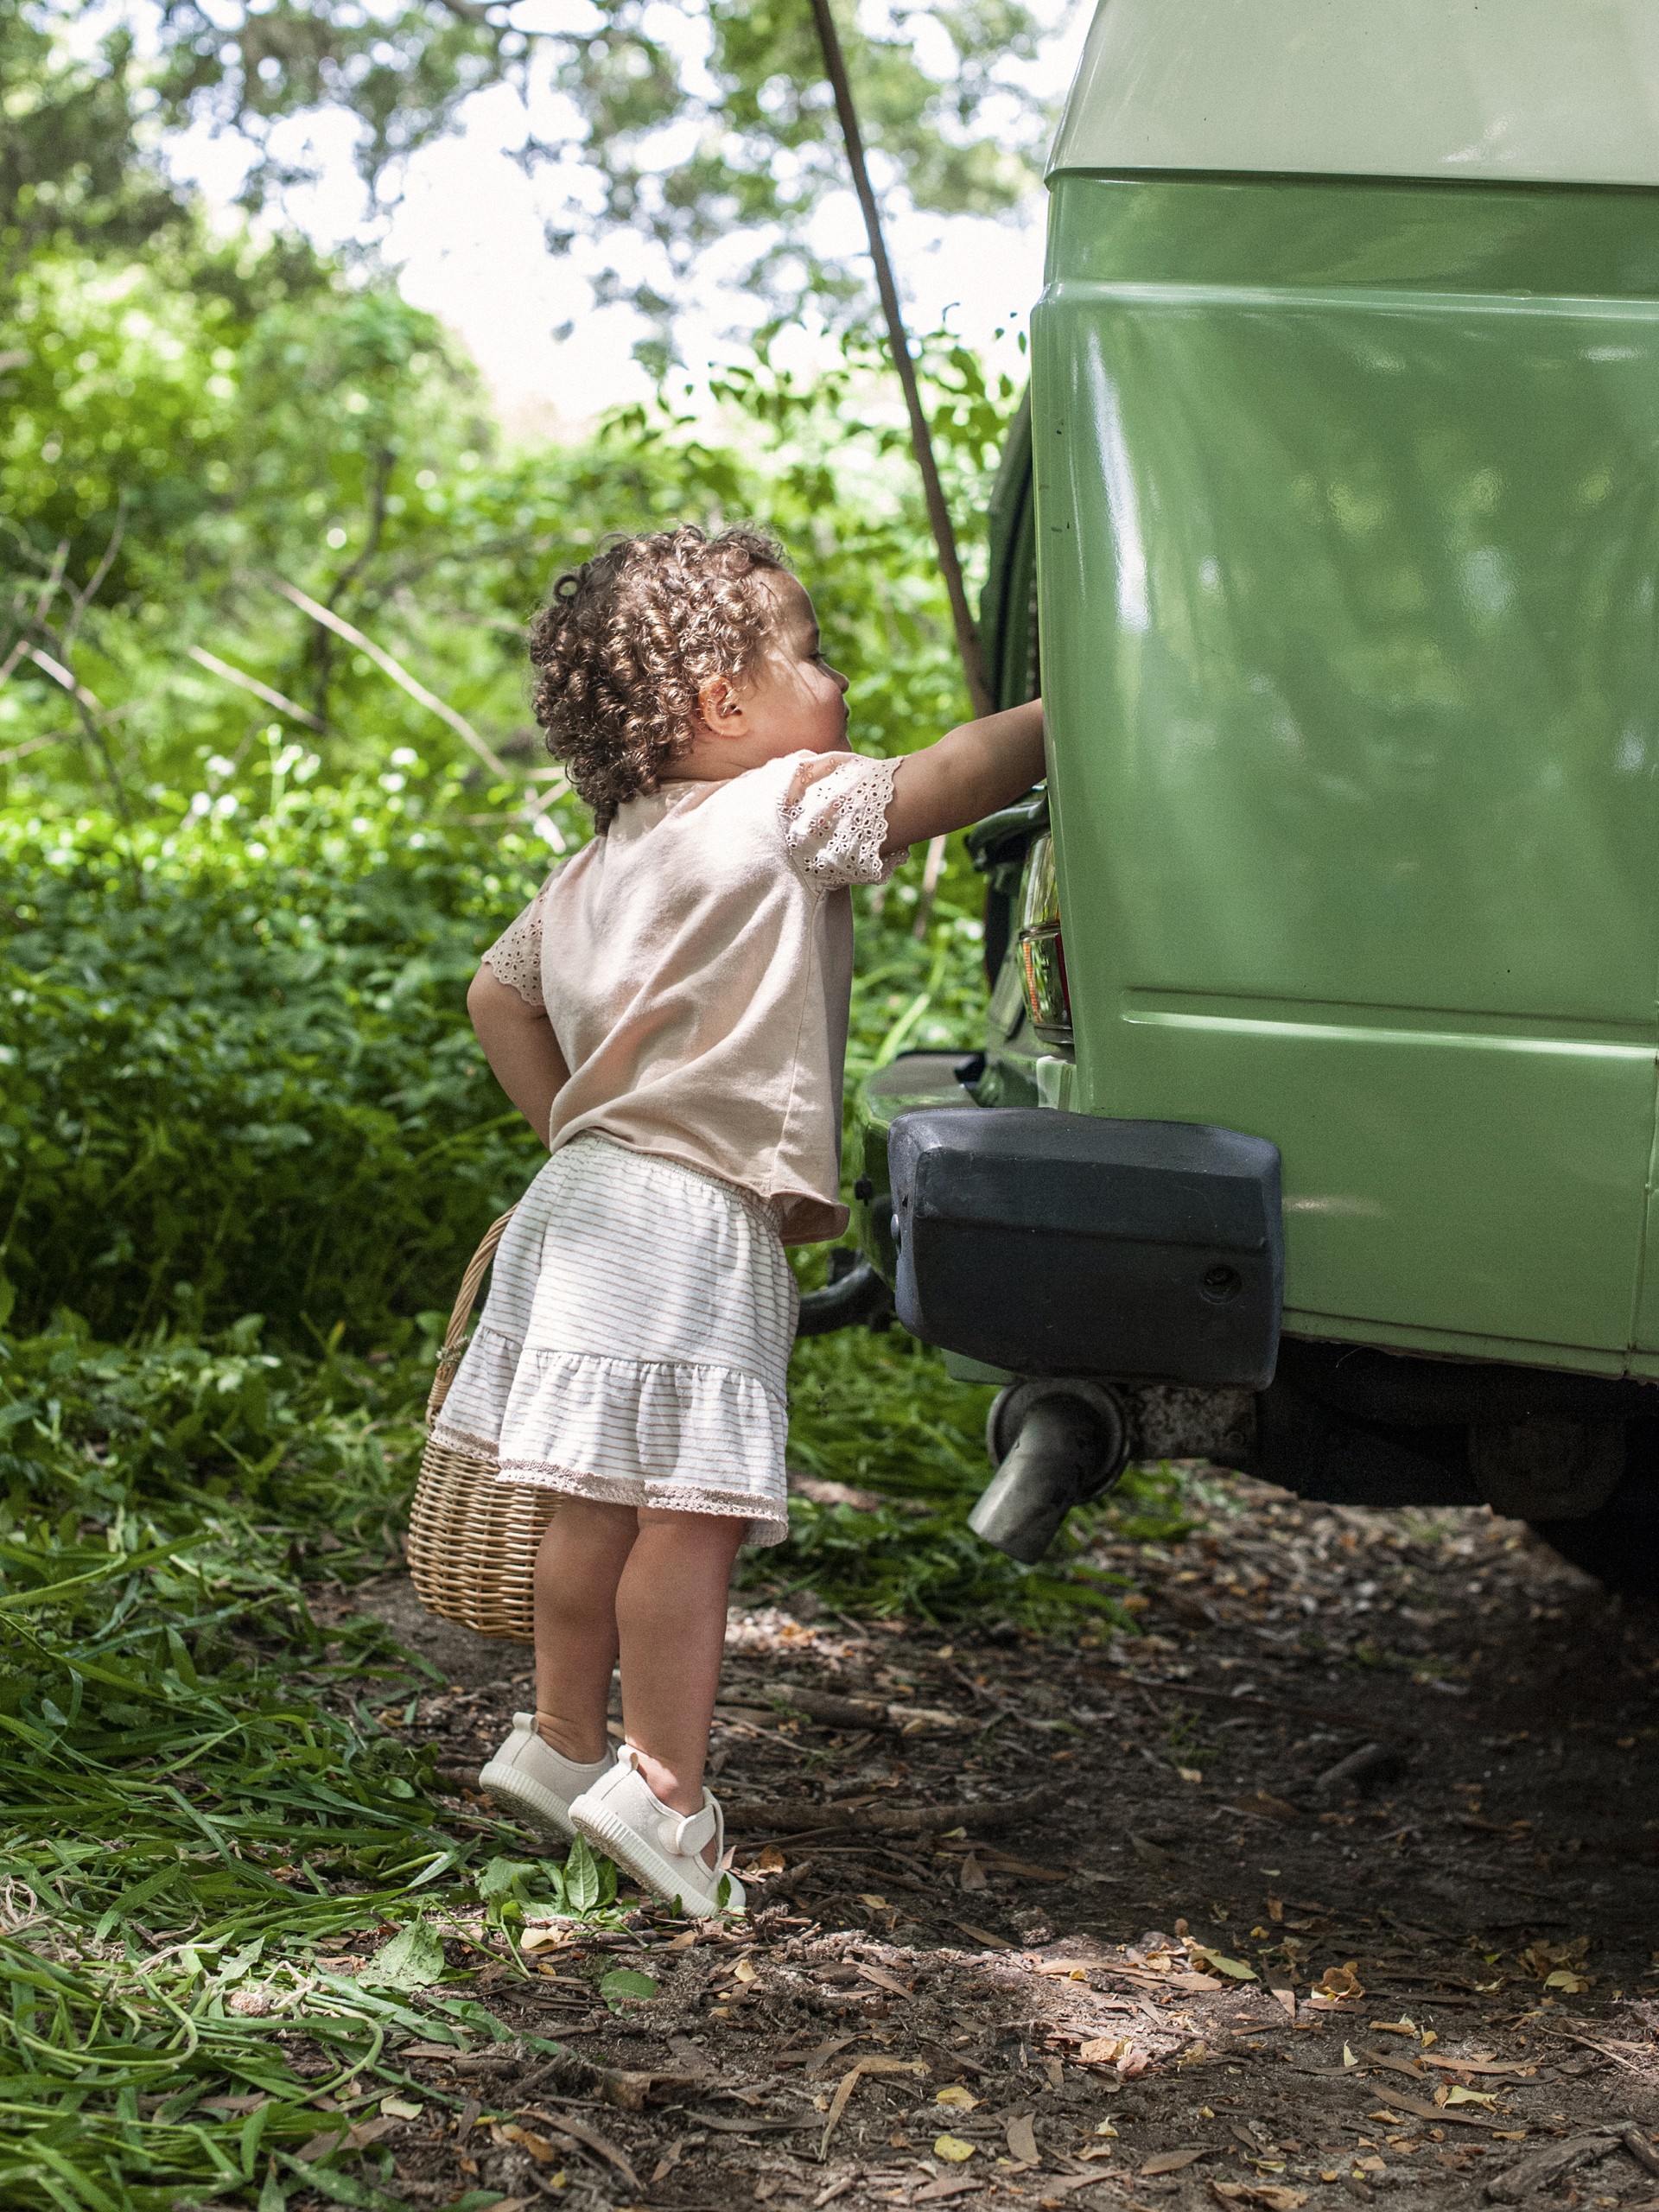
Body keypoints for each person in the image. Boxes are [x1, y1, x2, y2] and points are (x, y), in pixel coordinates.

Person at [435, 524, 1044, 1916]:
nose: (832, 676)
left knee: (590, 1499)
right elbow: (938, 785)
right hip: (697, 1214)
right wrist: (1069, 718)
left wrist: (571, 1131)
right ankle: (661, 1794)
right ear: (725, 705)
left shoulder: (597, 863)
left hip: (581, 1204)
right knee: (691, 1521)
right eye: (811, 649)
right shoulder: (785, 803)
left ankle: (560, 1737)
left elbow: (495, 994)